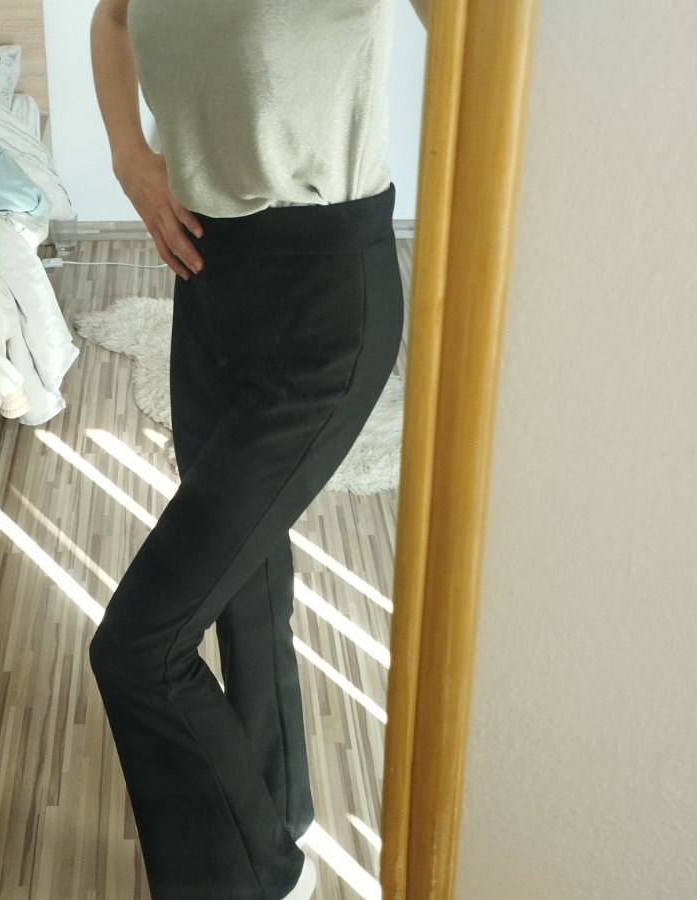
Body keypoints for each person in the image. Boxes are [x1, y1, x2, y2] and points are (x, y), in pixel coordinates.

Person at [86, 1, 420, 897]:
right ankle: (278, 819)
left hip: (325, 299)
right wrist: (128, 157)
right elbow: (111, 21)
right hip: (207, 286)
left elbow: (487, 45)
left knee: (138, 648)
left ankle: (263, 882)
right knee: (245, 592)